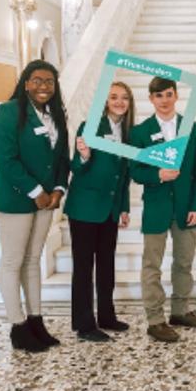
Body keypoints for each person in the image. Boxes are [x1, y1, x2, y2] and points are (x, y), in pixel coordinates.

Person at [0, 59, 70, 352]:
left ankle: (36, 321)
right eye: (37, 80)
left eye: (49, 82)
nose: (43, 87)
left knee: (33, 260)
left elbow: (63, 157)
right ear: (26, 83)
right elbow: (5, 158)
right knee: (12, 261)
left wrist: (59, 189)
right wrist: (36, 190)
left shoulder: (56, 115)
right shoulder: (9, 112)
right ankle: (18, 326)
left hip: (48, 200)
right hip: (16, 198)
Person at [129, 77, 196, 343]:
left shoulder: (192, 128)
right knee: (152, 265)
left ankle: (180, 311)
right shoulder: (141, 132)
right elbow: (135, 171)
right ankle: (155, 320)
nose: (164, 100)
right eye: (158, 96)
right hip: (157, 207)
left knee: (183, 263)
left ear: (176, 96)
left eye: (168, 94)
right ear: (151, 99)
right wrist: (159, 174)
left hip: (187, 208)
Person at [63, 82, 134, 342]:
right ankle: (84, 324)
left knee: (107, 264)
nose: (119, 102)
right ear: (105, 101)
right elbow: (77, 168)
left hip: (111, 209)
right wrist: (83, 156)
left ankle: (106, 315)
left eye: (124, 98)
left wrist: (124, 206)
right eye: (114, 97)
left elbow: (123, 175)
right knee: (84, 267)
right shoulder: (89, 126)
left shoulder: (128, 132)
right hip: (85, 208)